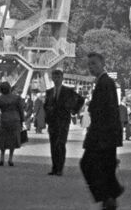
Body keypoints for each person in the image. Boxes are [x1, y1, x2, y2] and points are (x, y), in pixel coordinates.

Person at [80, 52, 124, 210]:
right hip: (104, 134)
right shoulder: (103, 82)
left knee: (88, 164)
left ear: (102, 64)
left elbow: (109, 111)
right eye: (89, 64)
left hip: (102, 135)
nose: (91, 67)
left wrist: (105, 137)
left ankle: (108, 195)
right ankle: (110, 197)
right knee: (105, 167)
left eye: (94, 63)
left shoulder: (105, 83)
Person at [44, 69, 84, 176]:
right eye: (54, 77)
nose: (56, 79)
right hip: (52, 122)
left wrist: (74, 110)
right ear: (52, 78)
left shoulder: (68, 91)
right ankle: (54, 167)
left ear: (62, 78)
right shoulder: (49, 92)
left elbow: (81, 99)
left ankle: (60, 168)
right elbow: (46, 105)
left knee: (60, 144)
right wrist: (47, 115)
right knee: (53, 144)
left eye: (58, 77)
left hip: (63, 121)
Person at [0, 81, 24, 167]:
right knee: (13, 139)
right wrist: (22, 121)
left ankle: (2, 158)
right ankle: (10, 159)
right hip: (15, 119)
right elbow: (21, 110)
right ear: (10, 88)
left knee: (3, 138)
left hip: (4, 119)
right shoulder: (17, 98)